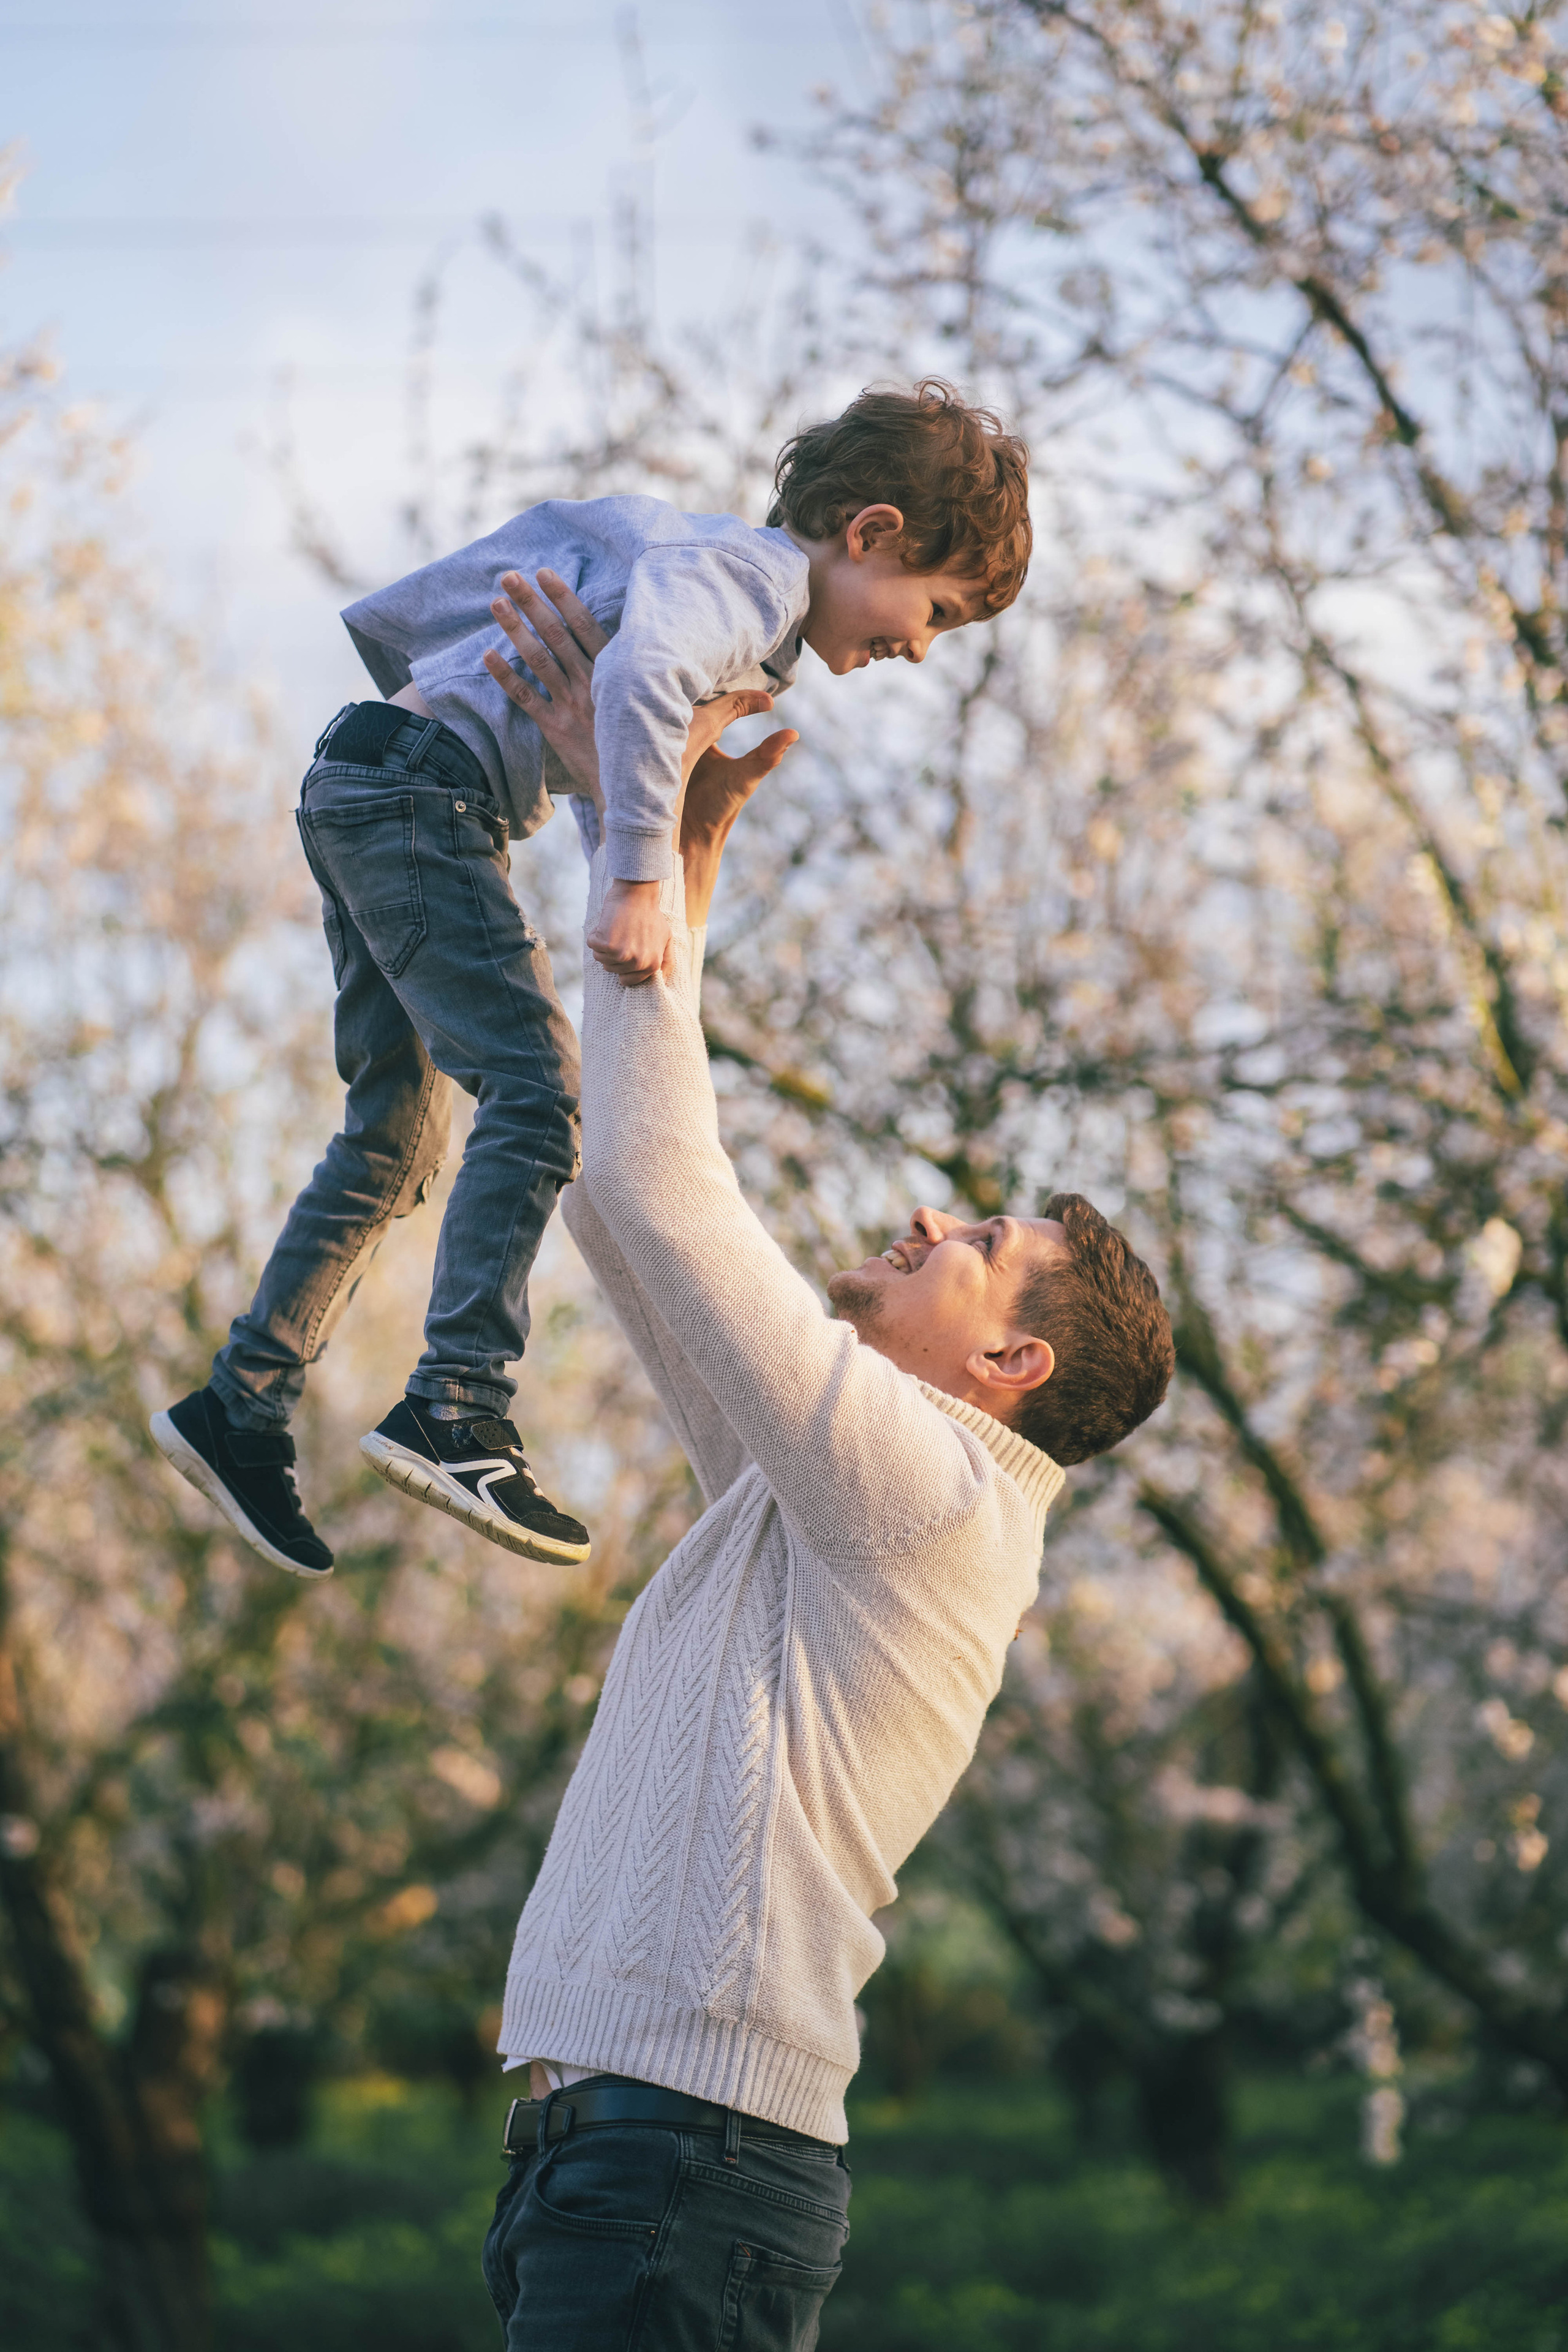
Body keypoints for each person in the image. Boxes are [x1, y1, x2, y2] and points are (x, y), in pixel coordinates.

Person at [473, 584, 1174, 2350]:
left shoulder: (929, 1496)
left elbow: (663, 1190)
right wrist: (654, 896)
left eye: (979, 1235)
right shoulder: (829, 1497)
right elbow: (610, 1201)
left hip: (676, 2168)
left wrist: (641, 845)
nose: (930, 1211)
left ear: (1009, 1364)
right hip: (627, 2162)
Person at [150, 382, 1033, 1579]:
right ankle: (454, 1404)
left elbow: (599, 715)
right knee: (539, 1094)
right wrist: (633, 877)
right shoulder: (753, 585)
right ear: (869, 534)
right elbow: (632, 688)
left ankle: (239, 1406)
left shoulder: (715, 581)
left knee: (400, 1139)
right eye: (932, 610)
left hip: (379, 779)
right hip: (420, 795)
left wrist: (624, 832)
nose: (919, 646)